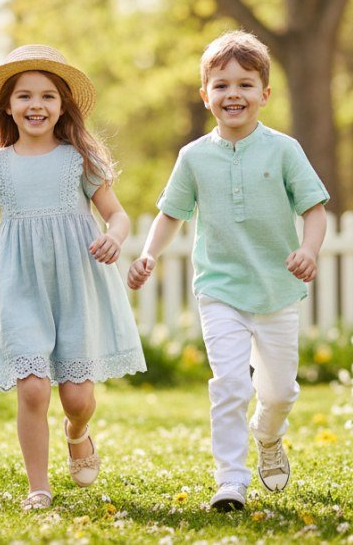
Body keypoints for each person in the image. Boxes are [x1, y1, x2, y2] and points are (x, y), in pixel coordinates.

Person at [0, 44, 146, 511]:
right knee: (34, 386)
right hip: (18, 284)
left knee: (77, 398)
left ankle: (77, 432)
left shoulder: (78, 158)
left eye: (47, 97)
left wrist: (115, 238)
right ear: (8, 106)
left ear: (62, 107)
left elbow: (117, 215)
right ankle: (38, 486)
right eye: (24, 96)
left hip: (77, 283)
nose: (36, 105)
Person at [127, 30, 329, 512]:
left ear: (265, 94)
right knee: (231, 384)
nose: (232, 94)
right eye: (220, 85)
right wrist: (149, 254)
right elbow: (171, 214)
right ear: (205, 96)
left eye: (244, 84)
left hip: (278, 289)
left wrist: (309, 250)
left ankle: (269, 433)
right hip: (219, 290)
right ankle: (230, 481)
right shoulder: (193, 157)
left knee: (278, 393)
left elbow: (315, 209)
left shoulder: (284, 149)